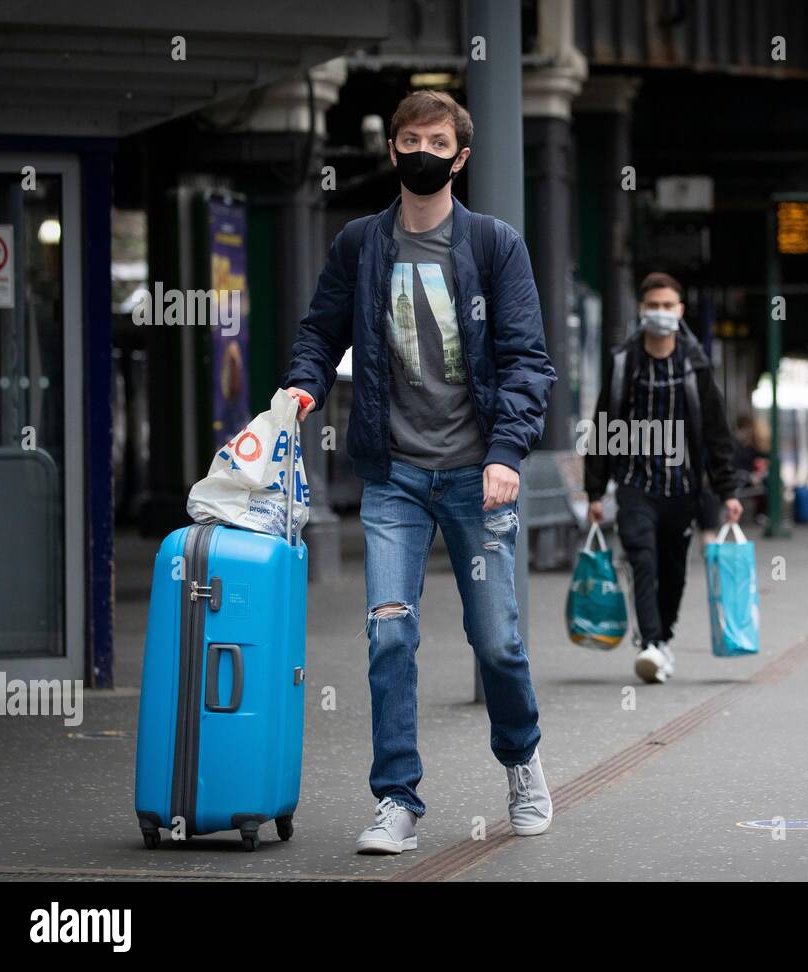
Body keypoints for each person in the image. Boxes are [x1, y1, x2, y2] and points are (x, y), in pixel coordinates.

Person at [281, 90, 557, 854]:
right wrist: (303, 386)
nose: (423, 150)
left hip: (477, 475)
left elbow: (531, 362)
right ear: (393, 150)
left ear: (461, 157)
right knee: (388, 638)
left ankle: (523, 759)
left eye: (438, 140)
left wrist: (506, 454)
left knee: (495, 639)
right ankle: (396, 799)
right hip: (393, 476)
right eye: (410, 138)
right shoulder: (362, 245)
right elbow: (318, 331)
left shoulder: (495, 245)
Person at [584, 272, 742, 684]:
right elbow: (604, 425)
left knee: (673, 569)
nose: (660, 314)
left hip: (683, 489)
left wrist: (727, 491)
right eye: (653, 306)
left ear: (680, 311)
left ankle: (664, 638)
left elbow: (715, 432)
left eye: (667, 307)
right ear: (642, 309)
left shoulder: (695, 365)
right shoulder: (624, 363)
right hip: (636, 485)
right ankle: (650, 644)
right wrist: (595, 491)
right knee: (642, 559)